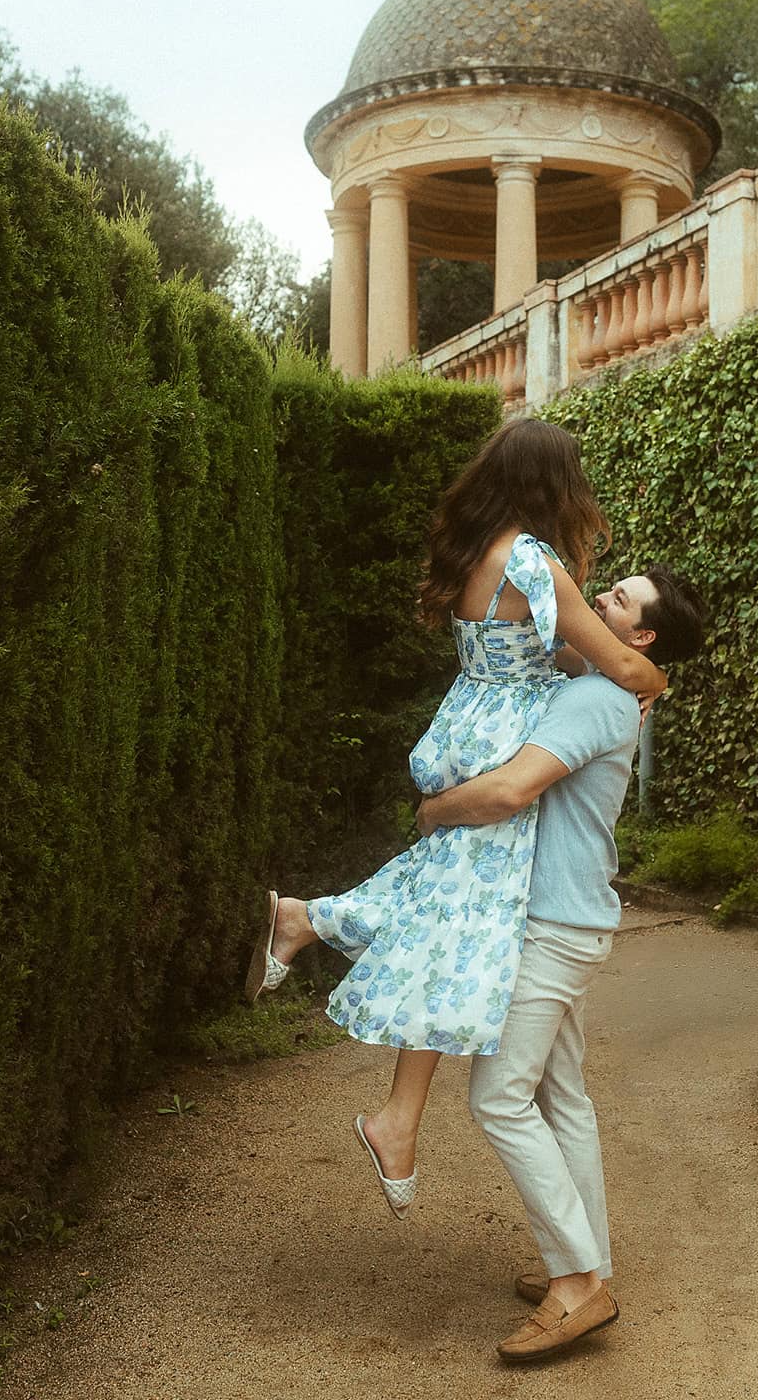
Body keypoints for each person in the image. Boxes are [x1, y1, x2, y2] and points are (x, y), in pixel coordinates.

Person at [244, 418, 667, 1219]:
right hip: (503, 745)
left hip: (467, 723)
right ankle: (380, 1084)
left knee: (444, 909)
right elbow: (613, 661)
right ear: (552, 485)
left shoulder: (483, 551)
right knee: (458, 930)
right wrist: (657, 682)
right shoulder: (534, 561)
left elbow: (555, 652)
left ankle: (309, 929)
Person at [414, 563, 704, 1362]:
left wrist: (433, 810)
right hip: (569, 917)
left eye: (619, 600)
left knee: (499, 1097)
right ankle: (587, 1262)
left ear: (640, 635)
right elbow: (563, 649)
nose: (599, 596)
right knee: (559, 1095)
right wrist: (655, 677)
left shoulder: (590, 701)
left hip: (548, 925)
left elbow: (510, 791)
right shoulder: (605, 686)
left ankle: (578, 1284)